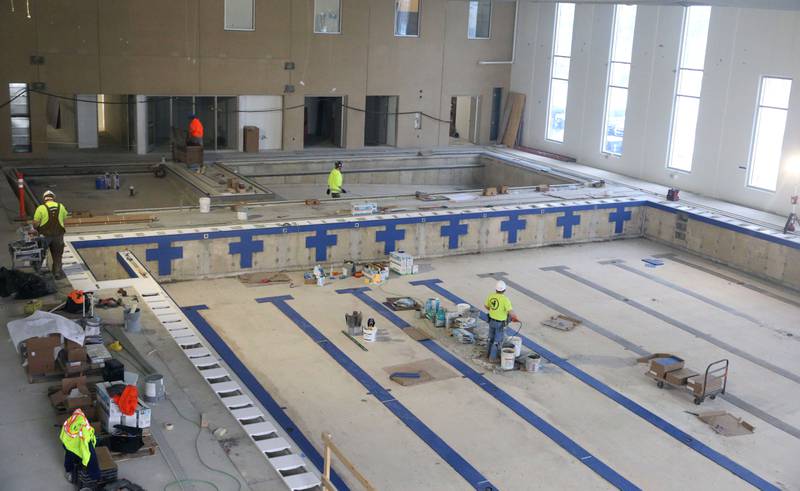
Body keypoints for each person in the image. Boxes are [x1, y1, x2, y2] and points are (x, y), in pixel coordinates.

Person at [33, 190, 68, 279]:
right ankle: (57, 273)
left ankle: (38, 272)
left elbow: (35, 223)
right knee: (57, 255)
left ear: (44, 199)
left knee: (40, 253)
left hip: (45, 236)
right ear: (53, 198)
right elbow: (64, 218)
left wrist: (36, 229)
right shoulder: (61, 206)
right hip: (58, 235)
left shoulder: (41, 208)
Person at [484, 280, 519, 363]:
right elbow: (510, 312)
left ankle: (487, 354)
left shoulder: (491, 296)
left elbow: (486, 306)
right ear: (504, 290)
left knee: (490, 338)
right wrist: (515, 318)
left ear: (496, 289)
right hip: (500, 323)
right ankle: (492, 358)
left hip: (491, 321)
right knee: (497, 341)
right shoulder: (505, 299)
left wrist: (493, 311)